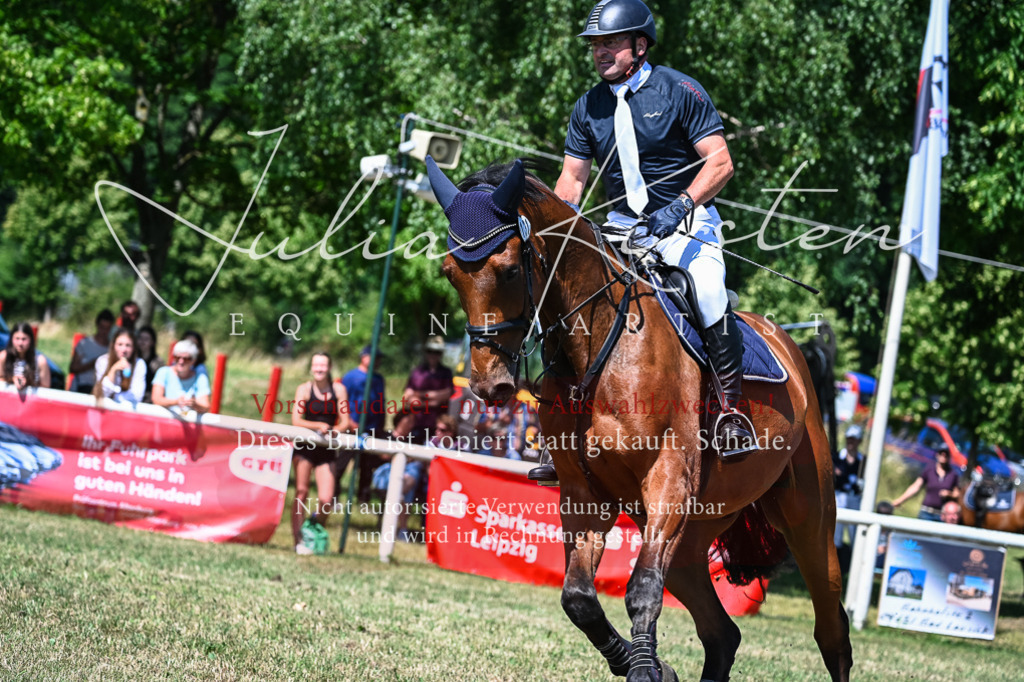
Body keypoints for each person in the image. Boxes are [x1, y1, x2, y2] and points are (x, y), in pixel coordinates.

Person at [535, 0, 751, 483]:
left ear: (639, 44)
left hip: (685, 221)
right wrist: (553, 234)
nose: (600, 53)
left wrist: (678, 208)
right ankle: (559, 430)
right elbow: (571, 180)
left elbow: (720, 162)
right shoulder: (588, 106)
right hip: (619, 227)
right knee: (560, 298)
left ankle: (730, 414)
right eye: (595, 46)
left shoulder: (679, 89)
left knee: (710, 288)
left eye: (610, 43)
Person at [290, 352, 352, 555]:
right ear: (311, 367)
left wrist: (335, 431)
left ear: (330, 367)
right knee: (302, 492)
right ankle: (298, 540)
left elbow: (345, 421)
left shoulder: (339, 389)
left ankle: (312, 527)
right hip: (305, 446)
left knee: (326, 499)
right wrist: (318, 426)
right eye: (316, 365)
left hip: (326, 448)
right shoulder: (304, 389)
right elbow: (296, 420)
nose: (319, 369)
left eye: (323, 365)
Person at [338, 345, 387, 502]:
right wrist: (350, 422)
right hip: (352, 428)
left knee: (367, 468)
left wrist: (380, 425)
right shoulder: (351, 377)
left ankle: (363, 499)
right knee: (341, 464)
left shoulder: (379, 379)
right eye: (375, 357)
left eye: (379, 358)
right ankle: (333, 496)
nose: (378, 361)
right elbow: (343, 401)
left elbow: (381, 402)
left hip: (372, 429)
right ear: (364, 357)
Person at [403, 335, 455, 443]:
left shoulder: (446, 372)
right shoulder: (417, 372)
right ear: (426, 352)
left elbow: (446, 394)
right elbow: (407, 398)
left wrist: (419, 395)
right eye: (430, 351)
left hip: (438, 428)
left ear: (441, 353)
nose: (433, 355)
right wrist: (435, 400)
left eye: (437, 352)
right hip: (416, 424)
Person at [892, 444, 960, 521]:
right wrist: (900, 500)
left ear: (949, 457)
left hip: (941, 516)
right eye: (941, 453)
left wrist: (949, 494)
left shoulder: (953, 474)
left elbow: (957, 494)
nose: (943, 456)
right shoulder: (929, 469)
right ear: (937, 455)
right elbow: (916, 486)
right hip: (926, 513)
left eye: (946, 454)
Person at [150, 340, 211, 414]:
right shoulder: (163, 372)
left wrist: (194, 404)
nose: (181, 361)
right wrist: (176, 402)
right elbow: (156, 399)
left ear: (193, 361)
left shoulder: (200, 378)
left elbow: (205, 406)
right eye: (177, 357)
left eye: (186, 359)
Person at [93, 330, 147, 405]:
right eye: (120, 344)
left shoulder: (139, 364)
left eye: (128, 345)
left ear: (134, 347)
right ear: (113, 345)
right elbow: (102, 393)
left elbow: (137, 396)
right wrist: (113, 370)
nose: (123, 350)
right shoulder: (103, 361)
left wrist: (115, 397)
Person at [833, 425, 865, 547]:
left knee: (854, 534)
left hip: (854, 500)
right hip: (839, 497)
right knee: (836, 532)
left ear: (859, 441)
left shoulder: (863, 462)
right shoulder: (837, 457)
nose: (851, 441)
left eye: (854, 439)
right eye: (849, 438)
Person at [69, 309, 114, 394]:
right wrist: (92, 364)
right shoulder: (84, 343)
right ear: (97, 325)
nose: (104, 331)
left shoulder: (112, 348)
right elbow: (72, 368)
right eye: (102, 327)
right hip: (80, 388)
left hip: (99, 391)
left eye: (107, 328)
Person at [0, 323, 50, 390]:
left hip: (32, 399)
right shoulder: (3, 357)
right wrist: (12, 379)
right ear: (11, 339)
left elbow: (46, 388)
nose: (20, 343)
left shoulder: (40, 361)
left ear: (31, 340)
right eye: (17, 339)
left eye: (24, 339)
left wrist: (28, 383)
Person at [135, 325, 165, 402]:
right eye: (140, 338)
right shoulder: (132, 359)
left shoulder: (158, 363)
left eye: (146, 339)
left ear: (152, 342)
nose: (142, 341)